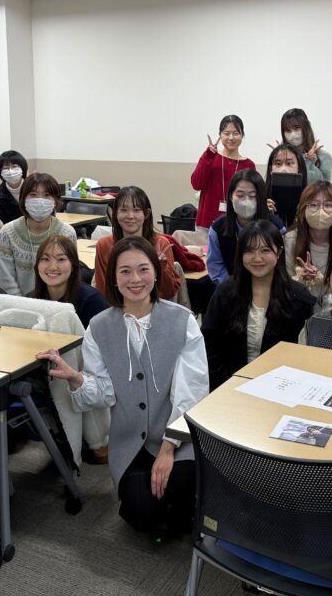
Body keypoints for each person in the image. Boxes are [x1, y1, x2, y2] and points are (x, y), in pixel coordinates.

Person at [35, 237, 208, 539]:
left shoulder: (182, 321)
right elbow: (104, 392)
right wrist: (76, 378)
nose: (135, 279)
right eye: (125, 271)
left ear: (155, 272)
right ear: (113, 277)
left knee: (181, 483)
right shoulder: (99, 326)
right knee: (141, 513)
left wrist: (168, 447)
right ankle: (165, 513)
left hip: (176, 437)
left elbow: (191, 392)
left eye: (143, 269)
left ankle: (180, 511)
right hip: (130, 442)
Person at [201, 221, 315, 389]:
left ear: (279, 252)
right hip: (229, 386)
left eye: (265, 250)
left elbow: (304, 355)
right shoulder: (225, 292)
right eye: (249, 251)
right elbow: (209, 344)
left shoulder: (298, 297)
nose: (257, 258)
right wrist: (226, 385)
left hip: (281, 388)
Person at [0, 172, 77, 295]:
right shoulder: (7, 233)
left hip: (56, 301)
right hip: (17, 302)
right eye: (33, 194)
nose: (40, 200)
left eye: (47, 195)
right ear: (23, 200)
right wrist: (23, 305)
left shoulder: (67, 233)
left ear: (55, 202)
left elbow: (69, 275)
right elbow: (7, 281)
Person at [94, 186, 180, 301]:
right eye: (124, 210)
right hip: (117, 307)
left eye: (137, 210)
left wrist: (161, 269)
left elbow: (169, 292)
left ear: (146, 213)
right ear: (115, 213)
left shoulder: (160, 244)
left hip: (153, 307)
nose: (130, 216)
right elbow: (103, 290)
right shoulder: (104, 245)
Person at [283, 181, 332, 306]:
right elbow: (283, 284)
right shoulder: (290, 240)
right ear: (303, 209)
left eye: (328, 205)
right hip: (296, 307)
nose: (321, 211)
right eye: (313, 205)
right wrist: (299, 280)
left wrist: (322, 281)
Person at [207, 169, 285, 284]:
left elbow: (283, 265)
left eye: (252, 196)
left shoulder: (276, 226)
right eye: (240, 195)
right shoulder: (218, 228)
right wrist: (234, 288)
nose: (246, 201)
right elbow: (216, 267)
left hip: (271, 287)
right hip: (231, 289)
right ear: (230, 197)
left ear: (261, 198)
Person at [190, 115, 256, 231]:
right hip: (206, 222)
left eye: (236, 133)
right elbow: (196, 184)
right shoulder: (210, 157)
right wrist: (208, 155)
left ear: (242, 135)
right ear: (220, 135)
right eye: (226, 133)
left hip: (236, 224)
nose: (231, 138)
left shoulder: (249, 165)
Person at [32, 235, 108, 327]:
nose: (52, 267)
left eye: (61, 259)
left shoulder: (92, 301)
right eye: (45, 259)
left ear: (73, 265)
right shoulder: (31, 300)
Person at [277, 108, 332, 183]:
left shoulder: (323, 157)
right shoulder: (279, 155)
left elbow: (322, 186)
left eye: (296, 128)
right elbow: (269, 184)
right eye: (287, 130)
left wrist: (309, 162)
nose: (292, 133)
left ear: (306, 128)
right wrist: (277, 161)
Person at [264, 142, 307, 229]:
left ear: (299, 168)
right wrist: (263, 212)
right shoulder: (261, 196)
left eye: (289, 163)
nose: (283, 169)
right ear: (270, 169)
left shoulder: (308, 197)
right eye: (278, 164)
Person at [0, 150, 28, 224]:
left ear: (22, 168)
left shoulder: (33, 187)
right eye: (6, 168)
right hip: (9, 229)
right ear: (0, 172)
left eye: (14, 166)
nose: (11, 171)